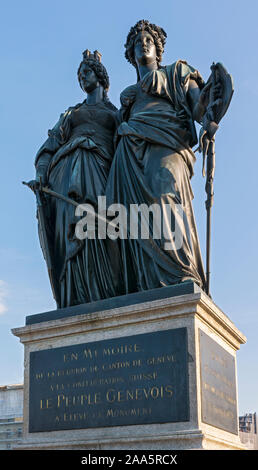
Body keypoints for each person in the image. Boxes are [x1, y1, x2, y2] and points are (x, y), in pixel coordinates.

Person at [106, 20, 208, 294]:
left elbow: (200, 108)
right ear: (131, 53)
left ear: (158, 48)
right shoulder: (128, 95)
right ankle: (145, 282)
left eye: (148, 40)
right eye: (138, 42)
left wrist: (211, 114)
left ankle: (181, 272)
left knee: (165, 191)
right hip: (129, 152)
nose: (143, 43)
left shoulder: (177, 72)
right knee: (125, 218)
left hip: (167, 141)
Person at [28, 50, 122, 307]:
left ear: (100, 77)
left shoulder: (116, 114)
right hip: (65, 178)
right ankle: (74, 293)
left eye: (86, 72)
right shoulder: (71, 114)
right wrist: (40, 174)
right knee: (71, 229)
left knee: (96, 227)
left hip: (101, 173)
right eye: (79, 76)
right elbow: (50, 145)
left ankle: (102, 291)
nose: (82, 78)